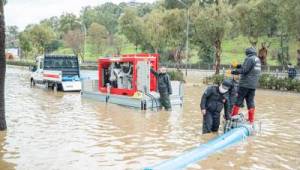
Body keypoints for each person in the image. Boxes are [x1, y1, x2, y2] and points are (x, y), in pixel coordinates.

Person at [231, 47, 261, 124]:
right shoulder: (257, 59)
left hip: (244, 84)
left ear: (247, 53)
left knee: (238, 100)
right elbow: (247, 67)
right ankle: (251, 120)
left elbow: (244, 70)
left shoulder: (249, 59)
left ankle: (233, 117)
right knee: (250, 101)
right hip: (253, 85)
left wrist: (234, 71)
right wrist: (238, 65)